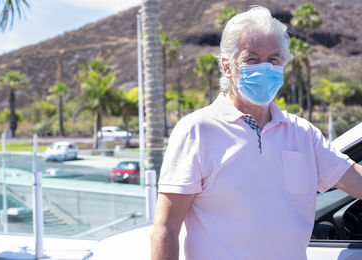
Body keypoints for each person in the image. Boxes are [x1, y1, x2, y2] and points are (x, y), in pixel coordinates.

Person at [150, 6, 362, 260]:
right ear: (228, 66)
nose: (264, 68)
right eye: (251, 59)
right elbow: (166, 227)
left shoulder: (303, 133)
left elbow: (355, 182)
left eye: (273, 60)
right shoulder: (196, 130)